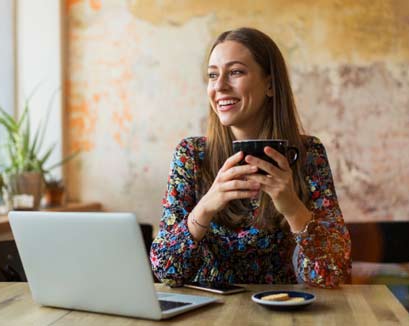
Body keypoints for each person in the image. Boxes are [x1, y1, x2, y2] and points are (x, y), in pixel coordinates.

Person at [150, 27, 351, 288]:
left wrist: (291, 206)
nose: (219, 86)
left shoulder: (307, 155)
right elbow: (166, 271)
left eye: (235, 72)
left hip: (279, 309)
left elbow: (331, 274)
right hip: (207, 313)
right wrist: (208, 205)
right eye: (212, 75)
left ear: (269, 84)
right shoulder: (191, 155)